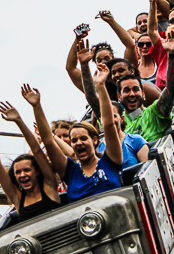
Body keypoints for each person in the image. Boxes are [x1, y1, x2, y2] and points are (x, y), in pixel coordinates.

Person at [25, 70, 123, 203]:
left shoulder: (110, 160)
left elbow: (108, 125)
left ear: (94, 140)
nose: (78, 143)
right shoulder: (71, 171)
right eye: (74, 140)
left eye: (83, 139)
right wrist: (36, 106)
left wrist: (100, 86)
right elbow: (48, 141)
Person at [0, 101, 61, 221]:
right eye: (18, 172)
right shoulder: (18, 198)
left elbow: (37, 150)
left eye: (26, 170)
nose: (22, 175)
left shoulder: (49, 186)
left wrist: (19, 121)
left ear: (37, 172)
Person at [98, 103, 150, 169]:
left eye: (114, 116)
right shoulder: (97, 149)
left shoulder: (137, 141)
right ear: (100, 121)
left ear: (122, 119)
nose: (110, 120)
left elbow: (149, 172)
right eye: (105, 116)